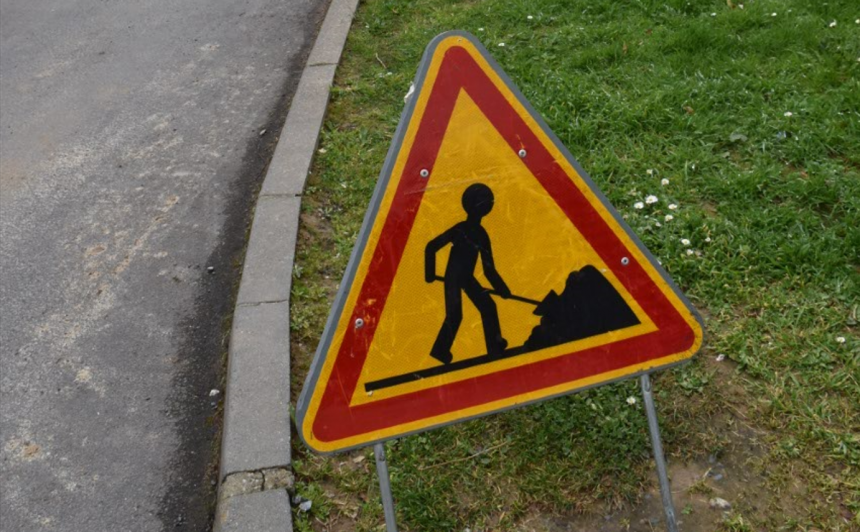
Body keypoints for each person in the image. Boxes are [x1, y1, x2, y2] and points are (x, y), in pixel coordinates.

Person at [425, 183, 510, 364]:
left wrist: (502, 289)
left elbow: (488, 269)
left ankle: (495, 345)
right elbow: (431, 247)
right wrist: (429, 273)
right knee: (455, 315)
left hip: (466, 277)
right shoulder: (461, 229)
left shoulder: (480, 234)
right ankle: (440, 350)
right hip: (453, 278)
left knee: (488, 306)